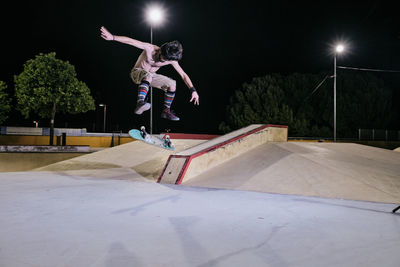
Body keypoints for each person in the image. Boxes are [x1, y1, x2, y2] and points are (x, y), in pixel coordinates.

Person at [100, 26, 199, 121]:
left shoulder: (171, 60)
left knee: (172, 84)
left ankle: (166, 111)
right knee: (148, 75)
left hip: (150, 77)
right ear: (160, 50)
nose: (162, 61)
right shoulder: (149, 48)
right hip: (137, 73)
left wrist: (193, 90)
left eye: (165, 61)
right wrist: (112, 37)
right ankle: (140, 103)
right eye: (162, 58)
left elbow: (183, 75)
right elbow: (130, 41)